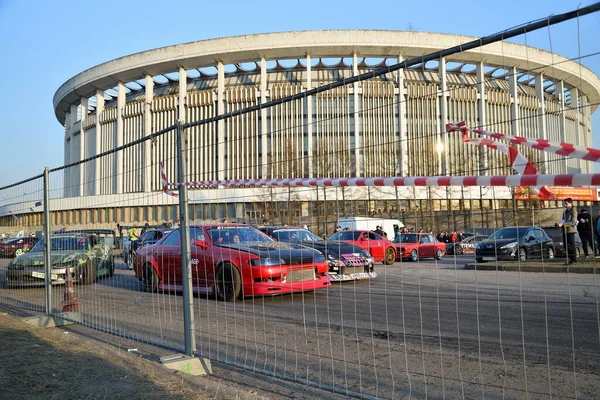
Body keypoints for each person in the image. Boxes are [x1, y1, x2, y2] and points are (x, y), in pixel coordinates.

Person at [558, 197, 577, 265]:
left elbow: (573, 221)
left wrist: (564, 225)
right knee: (565, 245)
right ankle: (570, 258)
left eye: (566, 203)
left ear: (570, 203)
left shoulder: (573, 210)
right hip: (565, 230)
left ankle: (574, 260)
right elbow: (563, 220)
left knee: (571, 245)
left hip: (571, 230)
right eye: (564, 203)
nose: (565, 205)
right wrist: (560, 224)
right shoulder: (565, 212)